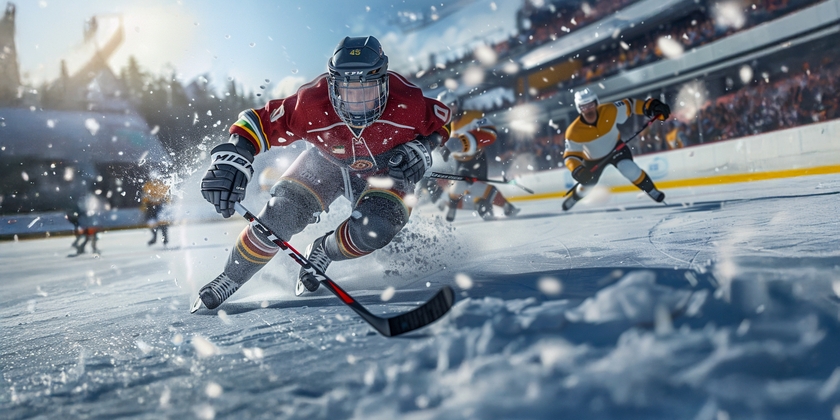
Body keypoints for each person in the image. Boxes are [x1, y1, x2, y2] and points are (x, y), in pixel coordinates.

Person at [191, 36, 451, 311]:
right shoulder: (310, 102)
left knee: (376, 229)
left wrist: (422, 147)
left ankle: (323, 249)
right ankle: (230, 277)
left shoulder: (408, 101)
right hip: (326, 164)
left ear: (385, 82)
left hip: (386, 169)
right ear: (332, 86)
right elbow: (257, 121)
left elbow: (443, 123)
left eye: (368, 92)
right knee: (281, 213)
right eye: (348, 92)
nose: (358, 104)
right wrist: (234, 156)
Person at [562, 88, 670, 211]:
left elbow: (631, 105)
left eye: (591, 105)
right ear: (578, 108)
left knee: (629, 168)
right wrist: (577, 169)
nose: (588, 110)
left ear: (596, 103)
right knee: (587, 185)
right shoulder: (573, 131)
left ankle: (651, 190)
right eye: (584, 107)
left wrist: (651, 106)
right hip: (592, 160)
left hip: (616, 149)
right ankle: (575, 198)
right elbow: (570, 155)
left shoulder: (610, 109)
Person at [434, 90, 519, 222]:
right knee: (462, 186)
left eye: (452, 104)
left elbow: (490, 133)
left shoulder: (473, 116)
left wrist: (459, 143)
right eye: (446, 106)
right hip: (460, 163)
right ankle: (495, 206)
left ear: (458, 103)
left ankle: (502, 206)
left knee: (479, 189)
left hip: (477, 159)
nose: (450, 109)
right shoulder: (442, 127)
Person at [140, 178, 170, 246]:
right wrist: (145, 205)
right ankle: (155, 237)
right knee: (152, 222)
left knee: (163, 222)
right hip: (150, 207)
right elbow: (144, 196)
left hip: (160, 206)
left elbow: (166, 196)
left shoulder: (161, 185)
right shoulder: (148, 185)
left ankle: (164, 237)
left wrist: (165, 203)